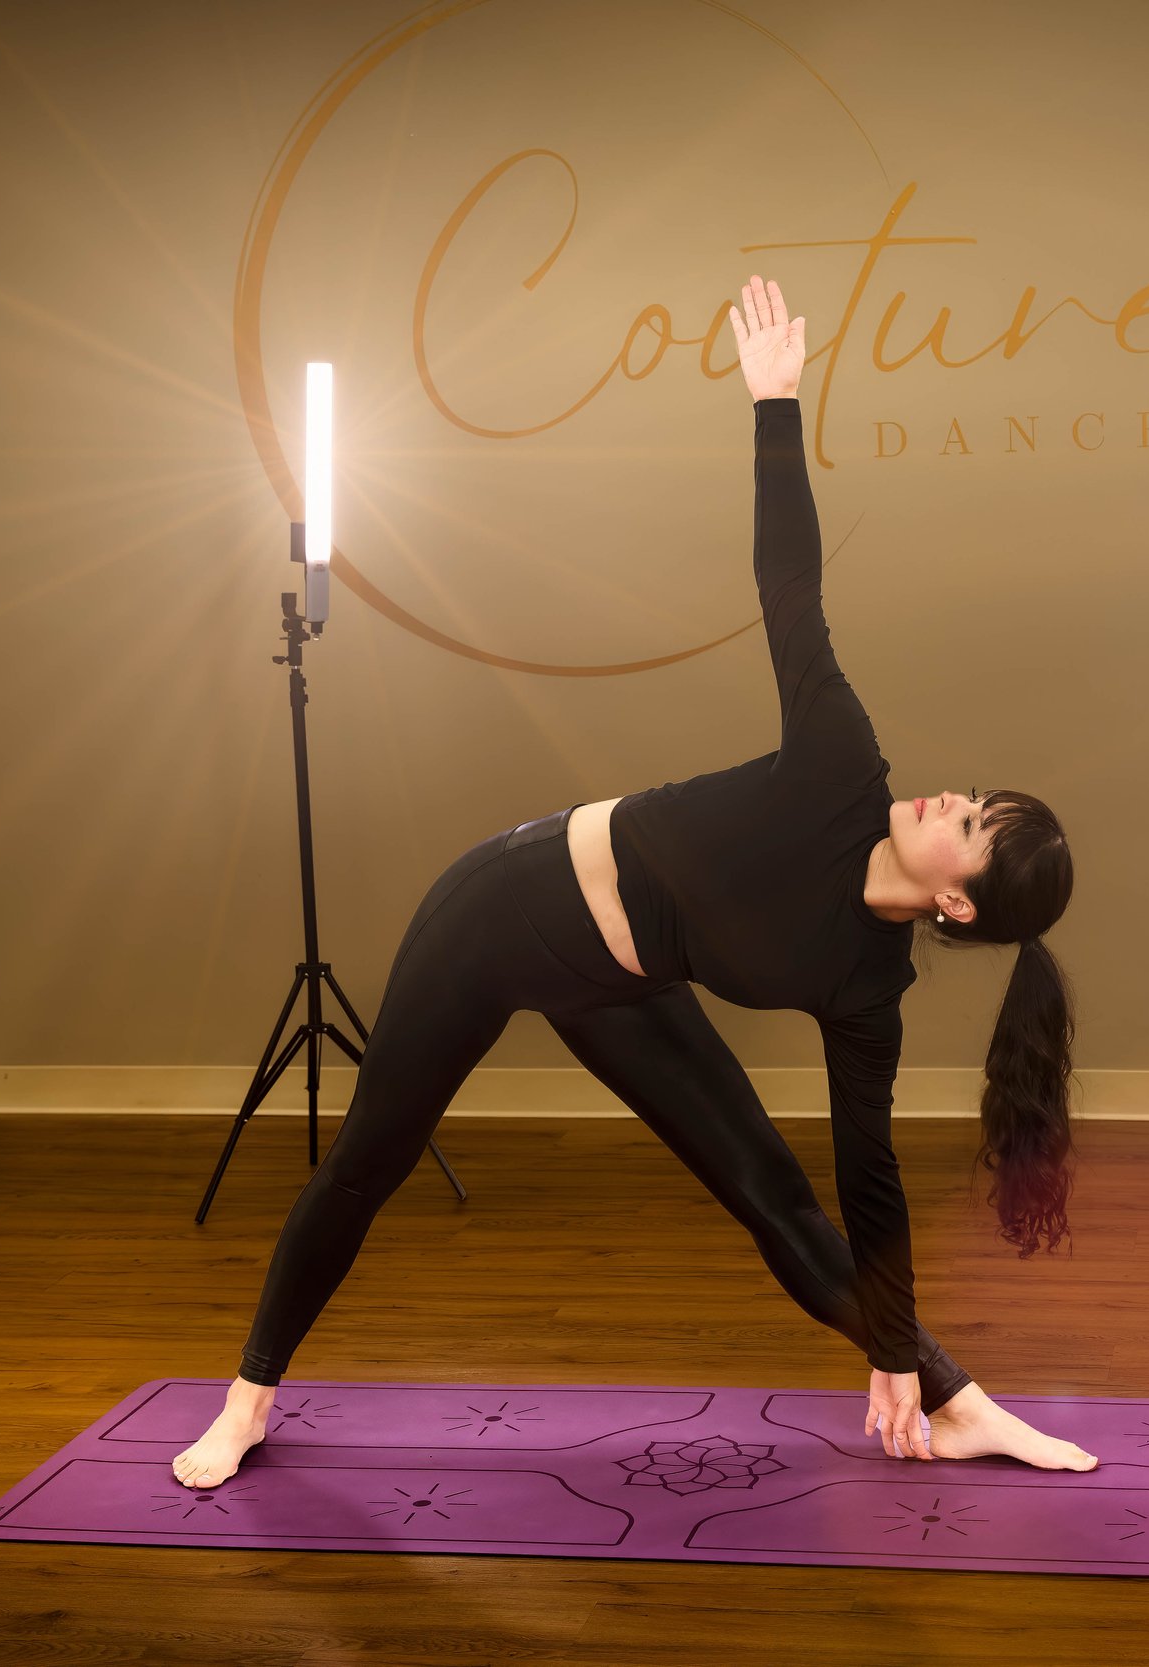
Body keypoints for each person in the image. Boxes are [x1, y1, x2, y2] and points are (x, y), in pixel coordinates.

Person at [173, 274, 1091, 1491]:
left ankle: (958, 1398)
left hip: (619, 977)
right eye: (970, 796)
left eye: (969, 823)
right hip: (506, 909)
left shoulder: (866, 985)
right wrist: (775, 403)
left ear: (958, 903)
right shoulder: (841, 766)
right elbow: (790, 592)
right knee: (368, 1161)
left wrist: (889, 1341)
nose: (947, 797)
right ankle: (245, 1401)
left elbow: (863, 1177)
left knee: (774, 1193)